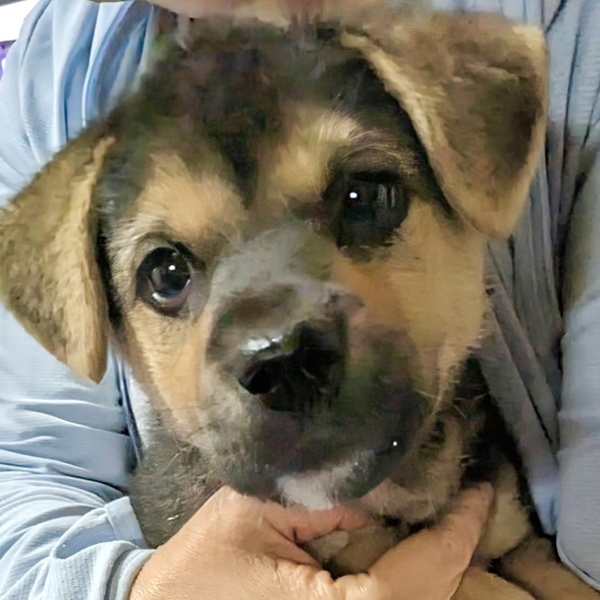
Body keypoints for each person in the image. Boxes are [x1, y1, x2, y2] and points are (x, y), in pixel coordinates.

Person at [0, 0, 598, 598]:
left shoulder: (563, 30)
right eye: (169, 275)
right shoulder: (53, 74)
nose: (276, 344)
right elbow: (26, 483)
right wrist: (146, 589)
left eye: (364, 203)